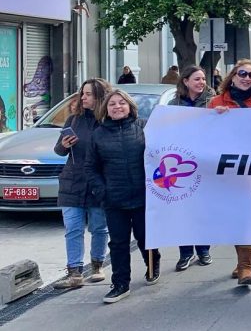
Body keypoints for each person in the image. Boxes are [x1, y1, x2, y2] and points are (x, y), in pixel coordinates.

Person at [85, 89, 160, 304]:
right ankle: (120, 283)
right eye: (112, 104)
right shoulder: (98, 134)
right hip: (114, 199)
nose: (117, 107)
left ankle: (153, 264)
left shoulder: (144, 127)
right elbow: (91, 168)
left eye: (121, 103)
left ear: (130, 106)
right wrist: (102, 191)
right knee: (118, 243)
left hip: (143, 196)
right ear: (105, 109)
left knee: (145, 237)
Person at [209, 60, 251, 285]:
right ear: (233, 76)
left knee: (248, 216)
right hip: (227, 171)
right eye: (242, 73)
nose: (247, 77)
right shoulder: (217, 102)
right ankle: (241, 262)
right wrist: (215, 118)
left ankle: (246, 267)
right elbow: (205, 136)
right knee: (235, 217)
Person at [52, 78, 112, 290]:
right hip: (72, 181)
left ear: (99, 96)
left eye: (88, 94)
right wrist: (64, 145)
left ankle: (97, 265)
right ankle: (75, 272)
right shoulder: (73, 120)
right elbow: (59, 150)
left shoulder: (107, 121)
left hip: (97, 182)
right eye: (82, 93)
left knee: (98, 227)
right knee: (73, 228)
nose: (83, 97)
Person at [167, 66, 215, 271]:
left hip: (205, 163)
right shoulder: (173, 104)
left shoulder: (213, 102)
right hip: (181, 164)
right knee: (184, 209)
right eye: (197, 79)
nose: (201, 82)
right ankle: (185, 253)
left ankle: (203, 249)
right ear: (185, 81)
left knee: (203, 208)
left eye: (203, 79)